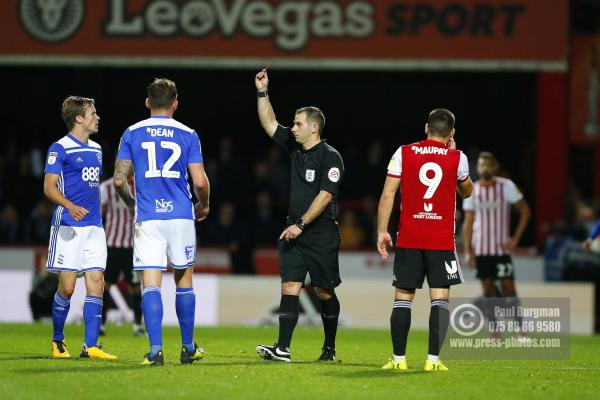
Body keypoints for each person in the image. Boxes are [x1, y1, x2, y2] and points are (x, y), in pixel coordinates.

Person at [114, 78, 210, 366]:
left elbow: (119, 180)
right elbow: (201, 182)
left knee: (150, 283)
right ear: (176, 103)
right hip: (181, 214)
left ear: (147, 103)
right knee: (184, 280)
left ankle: (155, 350)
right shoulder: (188, 134)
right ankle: (188, 347)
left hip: (149, 217)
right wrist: (203, 205)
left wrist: (131, 203)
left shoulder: (131, 133)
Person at [254, 69, 345, 363]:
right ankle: (282, 348)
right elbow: (269, 123)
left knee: (323, 291)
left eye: (298, 123)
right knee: (289, 286)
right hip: (293, 231)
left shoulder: (331, 157)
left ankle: (329, 348)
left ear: (314, 128)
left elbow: (326, 195)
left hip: (320, 233)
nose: (292, 128)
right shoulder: (294, 147)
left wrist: (301, 225)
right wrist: (262, 91)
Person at [377, 108, 472, 372]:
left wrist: (382, 231)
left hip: (409, 237)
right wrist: (454, 156)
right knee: (440, 300)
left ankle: (398, 360)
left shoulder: (403, 152)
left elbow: (388, 195)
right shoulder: (458, 158)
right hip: (441, 240)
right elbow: (467, 192)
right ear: (451, 133)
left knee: (402, 299)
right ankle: (433, 361)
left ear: (426, 128)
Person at [44, 96, 117, 359]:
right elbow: (49, 187)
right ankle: (58, 339)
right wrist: (69, 205)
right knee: (67, 288)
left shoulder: (97, 149)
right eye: (92, 113)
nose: (97, 117)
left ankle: (91, 346)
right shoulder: (59, 148)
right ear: (78, 118)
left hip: (94, 226)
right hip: (67, 225)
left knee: (97, 282)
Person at [462, 152, 531, 338]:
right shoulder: (472, 190)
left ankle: (520, 328)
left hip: (501, 249)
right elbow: (468, 223)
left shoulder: (506, 186)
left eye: (488, 165)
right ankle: (495, 329)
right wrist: (468, 251)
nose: (485, 168)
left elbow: (525, 211)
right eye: (482, 165)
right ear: (478, 168)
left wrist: (515, 239)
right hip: (482, 250)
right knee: (488, 290)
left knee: (509, 287)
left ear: (495, 167)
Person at [99, 176, 144, 336]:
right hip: (111, 245)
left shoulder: (140, 185)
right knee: (105, 285)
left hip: (132, 246)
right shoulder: (106, 187)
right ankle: (101, 325)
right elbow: (100, 215)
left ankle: (138, 327)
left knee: (136, 287)